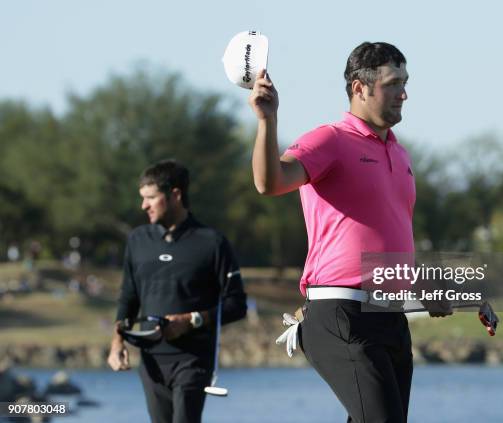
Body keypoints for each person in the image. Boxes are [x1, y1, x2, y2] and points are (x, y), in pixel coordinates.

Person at [248, 42, 451, 422]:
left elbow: (391, 244)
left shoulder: (401, 154)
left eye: (405, 83)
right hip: (342, 314)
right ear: (360, 88)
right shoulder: (330, 140)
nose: (403, 94)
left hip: (391, 317)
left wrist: (432, 292)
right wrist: (267, 120)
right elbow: (269, 182)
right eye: (392, 84)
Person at [107, 159, 247, 423]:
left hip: (193, 359)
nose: (143, 205)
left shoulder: (212, 242)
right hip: (151, 361)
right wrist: (117, 341)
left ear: (175, 195)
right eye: (142, 198)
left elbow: (236, 305)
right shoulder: (138, 240)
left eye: (151, 197)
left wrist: (192, 320)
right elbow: (128, 296)